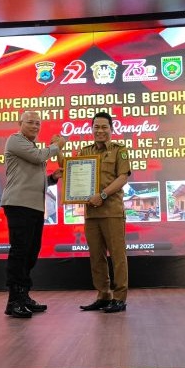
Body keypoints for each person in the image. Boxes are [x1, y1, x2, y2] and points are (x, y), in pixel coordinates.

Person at [1, 111, 65, 318]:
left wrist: (52, 178)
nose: (35, 126)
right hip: (18, 203)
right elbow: (39, 156)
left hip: (34, 205)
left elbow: (33, 179)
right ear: (20, 123)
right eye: (30, 122)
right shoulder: (15, 140)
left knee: (31, 252)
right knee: (20, 251)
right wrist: (56, 147)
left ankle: (24, 296)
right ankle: (14, 301)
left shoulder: (32, 146)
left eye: (38, 123)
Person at [78, 111, 131, 314]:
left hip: (112, 212)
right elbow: (73, 172)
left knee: (118, 256)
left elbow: (122, 177)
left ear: (111, 129)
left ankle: (119, 298)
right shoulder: (85, 151)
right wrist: (58, 151)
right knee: (96, 257)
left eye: (104, 127)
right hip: (92, 214)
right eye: (96, 127)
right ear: (91, 129)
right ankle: (103, 295)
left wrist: (102, 195)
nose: (100, 131)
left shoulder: (119, 150)